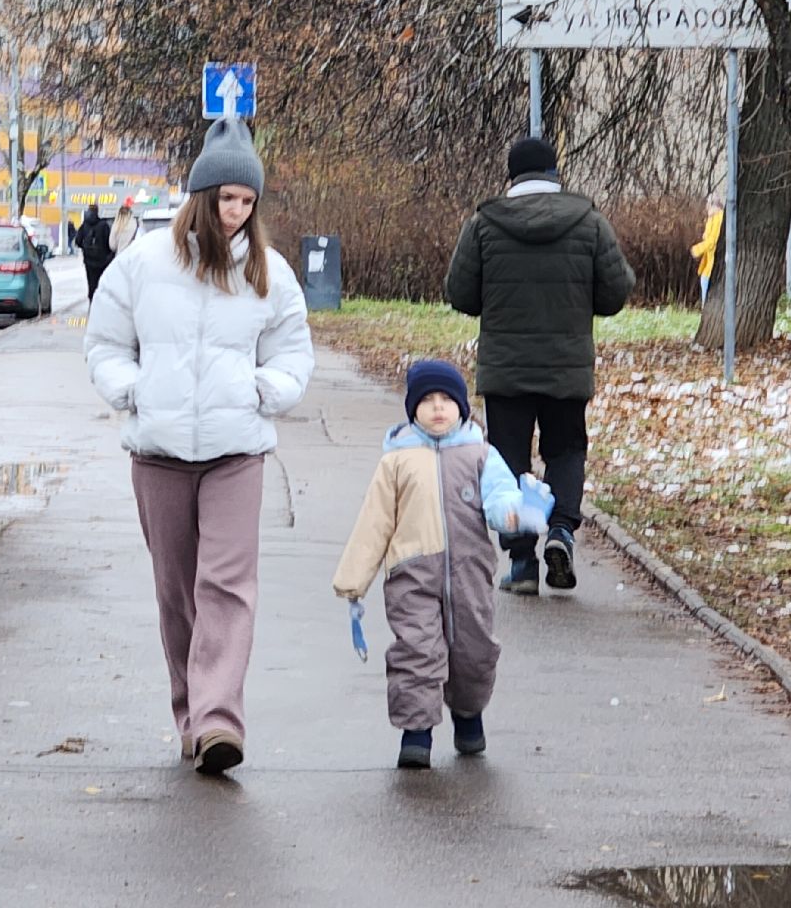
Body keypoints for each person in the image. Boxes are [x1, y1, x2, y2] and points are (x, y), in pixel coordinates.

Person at [85, 117, 314, 777]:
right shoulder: (142, 264)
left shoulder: (270, 274)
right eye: (226, 199)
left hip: (234, 451)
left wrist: (260, 389)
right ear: (200, 197)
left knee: (226, 584)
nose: (236, 213)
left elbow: (293, 352)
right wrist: (132, 391)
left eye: (247, 201)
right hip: (157, 453)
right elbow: (104, 343)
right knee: (176, 591)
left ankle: (219, 721)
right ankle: (189, 715)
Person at [332, 360, 552, 769]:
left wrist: (520, 513)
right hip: (411, 575)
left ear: (462, 407)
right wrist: (353, 581)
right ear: (412, 408)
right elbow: (374, 522)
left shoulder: (480, 454)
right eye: (427, 401)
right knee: (416, 650)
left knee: (474, 650)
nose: (437, 408)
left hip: (469, 573)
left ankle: (468, 715)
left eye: (447, 400)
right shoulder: (396, 462)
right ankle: (416, 733)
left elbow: (500, 499)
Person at [444, 137, 634, 596]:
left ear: (511, 176)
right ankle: (562, 531)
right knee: (565, 450)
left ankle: (523, 561)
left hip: (506, 370)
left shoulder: (484, 225)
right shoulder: (589, 223)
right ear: (554, 173)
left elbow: (460, 294)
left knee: (508, 460)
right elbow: (615, 294)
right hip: (566, 367)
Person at [690, 193, 724, 304]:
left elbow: (713, 240)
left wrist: (697, 249)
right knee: (704, 280)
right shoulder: (712, 217)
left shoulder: (718, 218)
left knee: (706, 281)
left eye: (708, 203)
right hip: (710, 258)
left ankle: (706, 309)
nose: (706, 206)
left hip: (715, 259)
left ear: (712, 204)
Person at [75, 203, 114, 297]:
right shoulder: (103, 225)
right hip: (102, 261)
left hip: (89, 261)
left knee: (91, 283)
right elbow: (109, 242)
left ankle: (92, 301)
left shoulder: (84, 225)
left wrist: (85, 248)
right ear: (97, 211)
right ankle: (100, 301)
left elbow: (77, 241)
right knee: (101, 282)